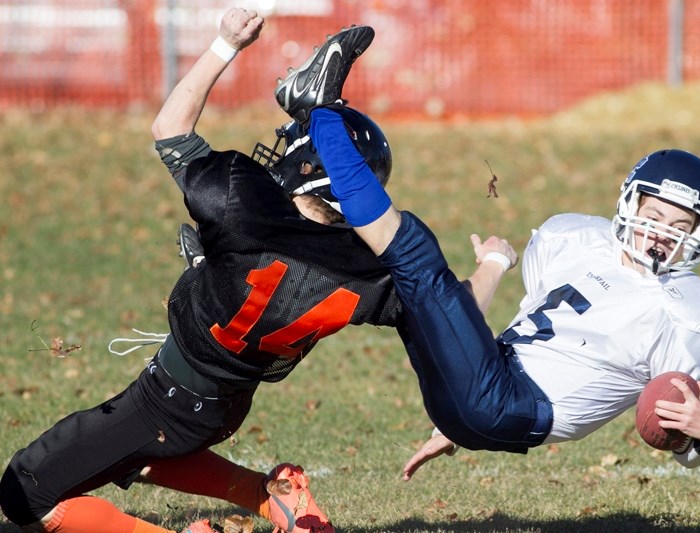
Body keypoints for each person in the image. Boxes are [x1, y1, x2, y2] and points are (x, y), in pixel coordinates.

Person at [0, 8, 408, 533]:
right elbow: (288, 285)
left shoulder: (247, 209)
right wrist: (490, 264)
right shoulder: (364, 268)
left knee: (24, 491)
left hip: (171, 399)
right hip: (223, 404)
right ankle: (270, 497)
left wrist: (225, 44)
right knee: (136, 455)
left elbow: (169, 128)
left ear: (308, 169)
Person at [301, 106, 700, 480]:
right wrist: (454, 419)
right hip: (476, 387)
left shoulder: (690, 313)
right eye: (655, 216)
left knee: (415, 257)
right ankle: (296, 260)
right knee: (396, 287)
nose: (661, 236)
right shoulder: (574, 238)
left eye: (680, 228)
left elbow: (681, 440)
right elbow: (481, 322)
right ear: (630, 205)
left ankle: (319, 115)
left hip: (511, 406)